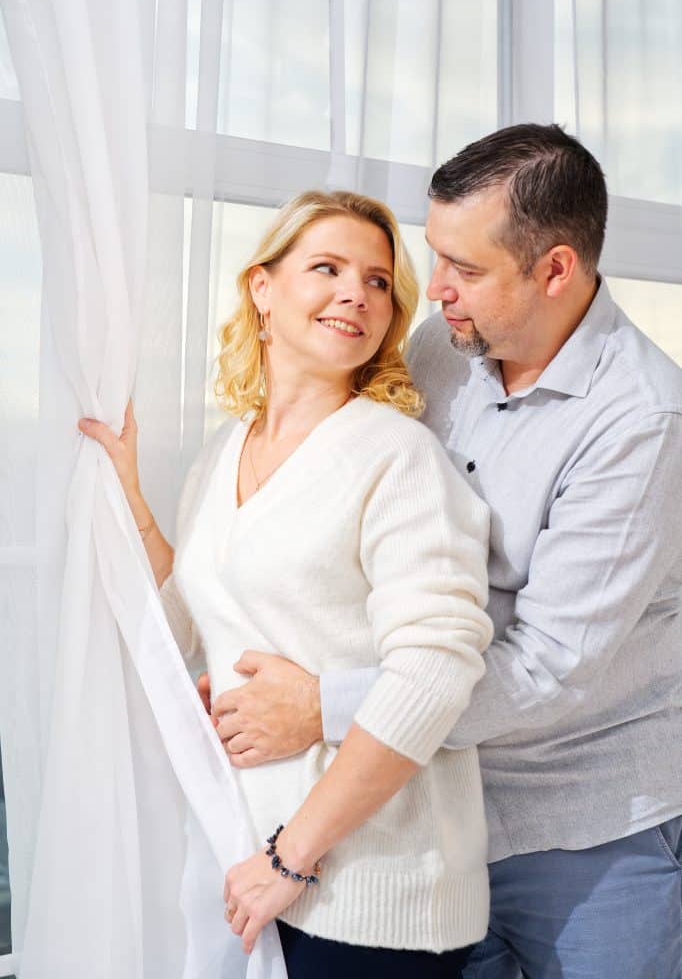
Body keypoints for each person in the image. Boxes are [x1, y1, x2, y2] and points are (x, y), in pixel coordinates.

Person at [208, 126, 682, 979]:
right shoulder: (443, 350)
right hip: (428, 817)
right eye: (435, 260)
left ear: (556, 270)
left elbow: (549, 667)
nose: (437, 291)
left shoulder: (640, 422)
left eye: (465, 268)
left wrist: (325, 707)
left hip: (583, 830)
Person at [78, 190, 495, 977]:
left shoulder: (397, 458)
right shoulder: (223, 452)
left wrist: (291, 858)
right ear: (261, 289)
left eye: (378, 282)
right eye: (328, 268)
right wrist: (127, 493)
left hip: (370, 896)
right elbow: (189, 629)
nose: (356, 294)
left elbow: (437, 675)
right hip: (251, 869)